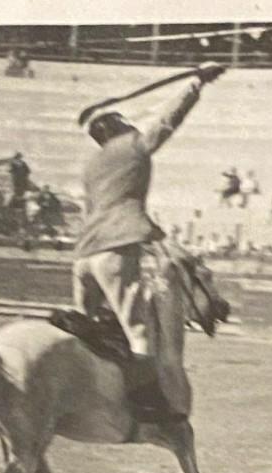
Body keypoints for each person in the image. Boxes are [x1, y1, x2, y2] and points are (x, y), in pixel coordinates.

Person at [71, 60, 227, 419]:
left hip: (82, 258)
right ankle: (147, 405)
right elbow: (167, 122)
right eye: (124, 123)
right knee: (140, 334)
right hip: (113, 252)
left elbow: (101, 210)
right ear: (116, 128)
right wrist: (195, 84)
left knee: (84, 330)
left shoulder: (91, 166)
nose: (130, 126)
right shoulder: (133, 148)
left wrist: (151, 233)